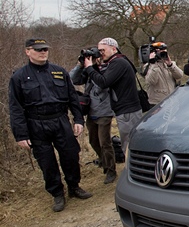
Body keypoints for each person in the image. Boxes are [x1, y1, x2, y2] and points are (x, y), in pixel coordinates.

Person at [9, 38, 92, 212]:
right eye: (38, 49)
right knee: (47, 162)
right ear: (27, 51)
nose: (43, 52)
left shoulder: (59, 72)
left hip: (60, 120)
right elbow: (16, 108)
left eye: (45, 49)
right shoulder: (19, 77)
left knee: (70, 155)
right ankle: (57, 194)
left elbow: (73, 98)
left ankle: (74, 187)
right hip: (36, 124)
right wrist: (21, 135)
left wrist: (78, 120)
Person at [82, 37, 143, 152]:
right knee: (129, 143)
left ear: (114, 49)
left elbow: (103, 82)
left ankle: (132, 168)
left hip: (127, 111)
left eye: (103, 50)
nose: (100, 54)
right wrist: (93, 66)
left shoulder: (118, 63)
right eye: (99, 51)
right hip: (126, 110)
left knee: (129, 145)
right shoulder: (117, 62)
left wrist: (89, 68)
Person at [70, 53, 118, 185]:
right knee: (93, 141)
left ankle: (111, 170)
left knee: (105, 142)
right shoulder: (87, 72)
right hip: (91, 111)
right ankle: (104, 161)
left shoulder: (106, 69)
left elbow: (103, 84)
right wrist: (80, 65)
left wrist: (91, 68)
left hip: (105, 112)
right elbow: (72, 79)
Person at [142, 43, 183, 107]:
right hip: (157, 103)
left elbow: (180, 75)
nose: (163, 54)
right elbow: (151, 81)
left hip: (171, 100)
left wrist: (170, 65)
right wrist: (153, 64)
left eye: (165, 52)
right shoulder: (148, 66)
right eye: (160, 52)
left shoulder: (170, 63)